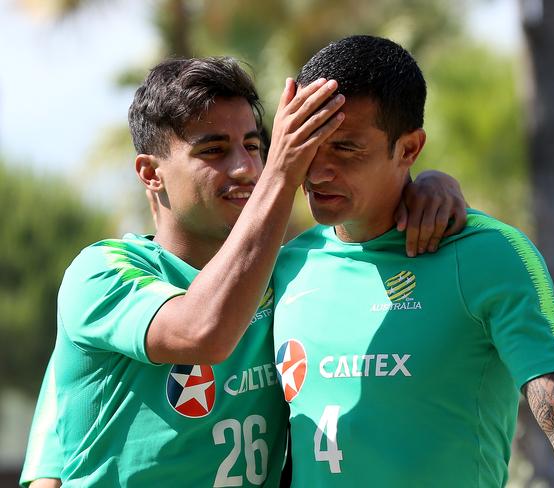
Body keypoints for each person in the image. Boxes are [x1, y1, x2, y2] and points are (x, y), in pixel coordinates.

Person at [20, 56, 467, 487]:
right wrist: (282, 174)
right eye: (214, 150)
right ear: (150, 173)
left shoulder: (290, 276)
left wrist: (428, 184)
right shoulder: (100, 274)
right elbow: (203, 332)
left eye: (253, 146)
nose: (246, 168)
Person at [271, 35, 554, 487]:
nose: (317, 173)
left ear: (410, 149)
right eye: (310, 145)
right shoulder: (286, 267)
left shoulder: (487, 254)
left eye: (345, 148)